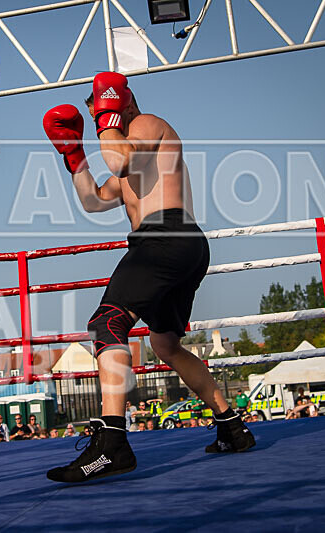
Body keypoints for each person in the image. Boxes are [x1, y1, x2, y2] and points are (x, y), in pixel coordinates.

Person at [43, 72, 254, 483]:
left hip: (165, 238)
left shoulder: (147, 124)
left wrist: (109, 120)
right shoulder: (129, 155)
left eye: (102, 114)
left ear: (119, 105)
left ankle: (113, 443)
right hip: (180, 245)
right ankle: (232, 427)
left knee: (106, 324)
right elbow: (93, 201)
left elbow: (119, 158)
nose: (102, 125)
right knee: (165, 344)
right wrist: (74, 157)